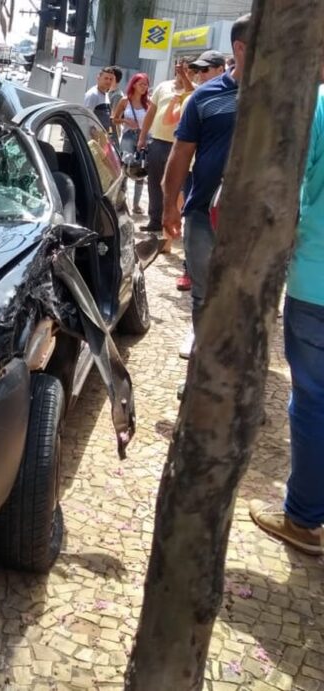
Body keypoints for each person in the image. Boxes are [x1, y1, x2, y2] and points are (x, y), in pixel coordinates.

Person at [249, 77, 324, 555]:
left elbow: (284, 192)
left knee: (314, 403)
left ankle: (303, 520)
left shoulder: (316, 104)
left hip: (317, 285)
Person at [161, 15, 250, 332]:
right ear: (240, 48)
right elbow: (181, 152)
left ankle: (236, 364)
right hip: (203, 213)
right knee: (204, 296)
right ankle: (205, 361)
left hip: (258, 220)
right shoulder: (204, 96)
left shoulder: (280, 101)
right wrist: (170, 205)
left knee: (245, 298)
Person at [176, 51, 227, 294]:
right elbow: (183, 144)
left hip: (235, 200)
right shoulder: (198, 97)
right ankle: (189, 270)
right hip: (198, 181)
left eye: (205, 70)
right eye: (197, 71)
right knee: (197, 244)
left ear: (220, 68)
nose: (200, 75)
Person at [136, 62, 194, 239]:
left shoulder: (195, 91)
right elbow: (151, 113)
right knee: (154, 182)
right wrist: (142, 136)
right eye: (180, 69)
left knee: (175, 186)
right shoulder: (163, 87)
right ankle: (155, 221)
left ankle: (172, 224)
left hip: (180, 145)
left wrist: (185, 81)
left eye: (187, 70)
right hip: (158, 142)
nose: (183, 72)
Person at [113, 73, 150, 215]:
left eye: (146, 84)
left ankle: (136, 205)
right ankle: (120, 201)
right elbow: (114, 118)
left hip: (144, 137)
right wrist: (126, 121)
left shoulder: (149, 103)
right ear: (134, 84)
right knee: (126, 168)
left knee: (141, 169)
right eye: (141, 84)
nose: (144, 87)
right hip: (128, 137)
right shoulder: (125, 101)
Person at [84, 67, 116, 133]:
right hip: (93, 137)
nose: (108, 81)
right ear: (98, 78)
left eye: (111, 79)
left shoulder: (106, 94)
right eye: (106, 78)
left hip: (103, 136)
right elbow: (86, 117)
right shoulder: (93, 94)